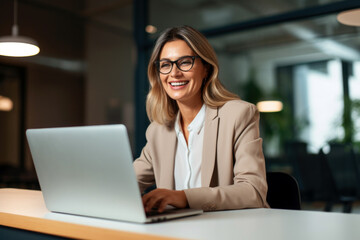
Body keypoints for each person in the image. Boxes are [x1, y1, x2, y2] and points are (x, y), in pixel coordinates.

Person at [133, 25, 269, 213]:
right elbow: (128, 182)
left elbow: (253, 191)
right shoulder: (158, 130)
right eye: (165, 65)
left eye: (185, 62)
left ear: (206, 68)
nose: (174, 73)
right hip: (174, 230)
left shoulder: (239, 115)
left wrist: (183, 197)